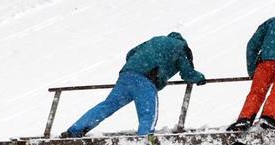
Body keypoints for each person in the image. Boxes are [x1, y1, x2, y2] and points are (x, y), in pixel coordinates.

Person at [61, 32, 206, 138]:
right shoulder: (180, 47)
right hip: (146, 79)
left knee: (107, 106)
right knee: (148, 114)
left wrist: (138, 65)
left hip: (127, 75)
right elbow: (187, 73)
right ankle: (144, 143)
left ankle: (75, 130)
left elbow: (130, 53)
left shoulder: (154, 40)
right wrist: (199, 78)